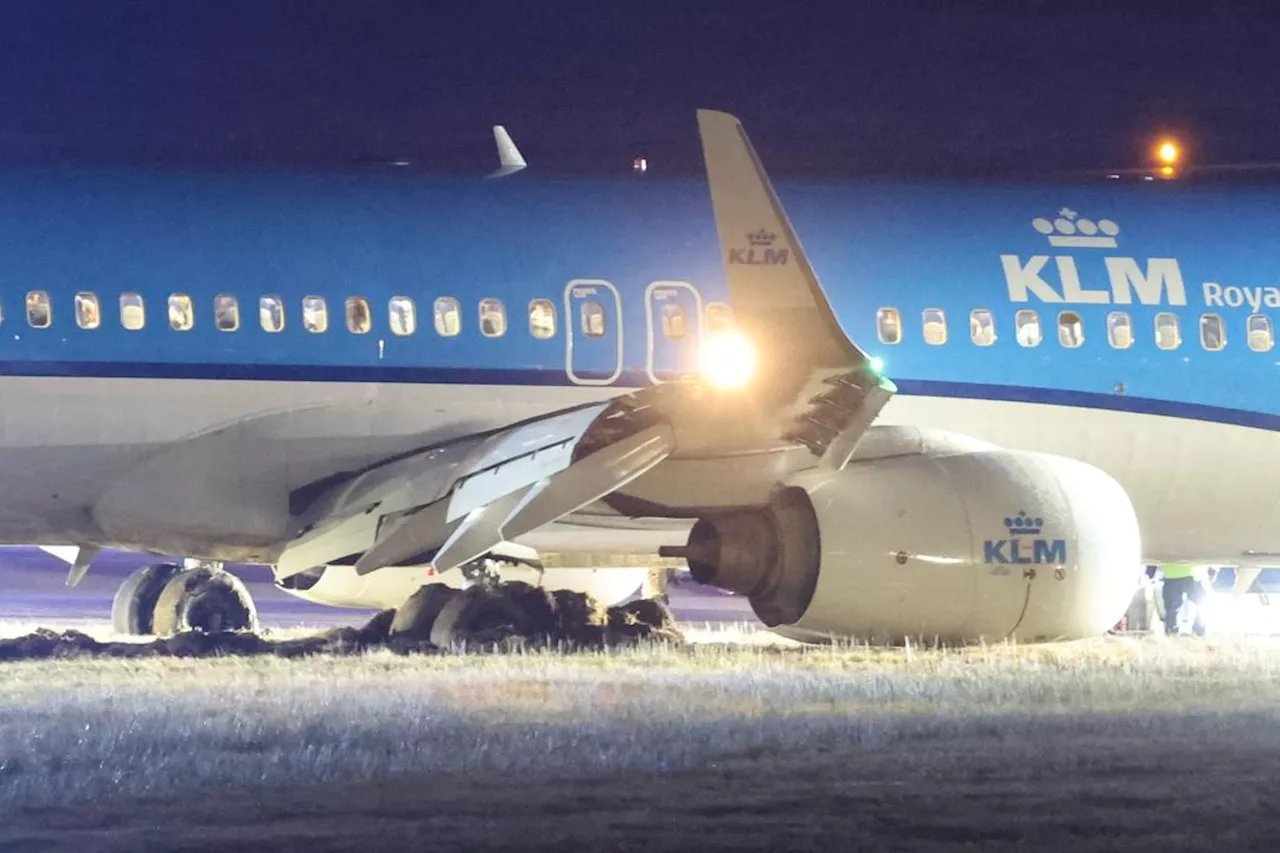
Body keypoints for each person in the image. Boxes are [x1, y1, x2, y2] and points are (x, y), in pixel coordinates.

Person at [1159, 562, 1206, 636]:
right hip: (1190, 574)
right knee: (1199, 603)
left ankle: (1171, 633)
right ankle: (1199, 631)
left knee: (1171, 609)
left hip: (1171, 575)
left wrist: (1149, 573)